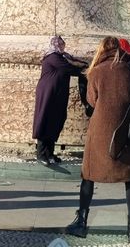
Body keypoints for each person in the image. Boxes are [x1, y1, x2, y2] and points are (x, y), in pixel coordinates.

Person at [66, 37, 130, 243]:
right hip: (127, 131)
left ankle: (81, 223)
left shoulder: (97, 71)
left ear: (102, 50)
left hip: (101, 131)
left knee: (89, 175)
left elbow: (91, 100)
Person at [32, 35, 87, 165]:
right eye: (61, 44)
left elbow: (73, 62)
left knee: (54, 121)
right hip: (48, 94)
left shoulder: (63, 57)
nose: (63, 46)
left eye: (63, 44)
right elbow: (68, 68)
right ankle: (41, 154)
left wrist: (84, 66)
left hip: (57, 94)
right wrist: (83, 70)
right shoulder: (52, 57)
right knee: (45, 120)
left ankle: (50, 154)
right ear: (55, 45)